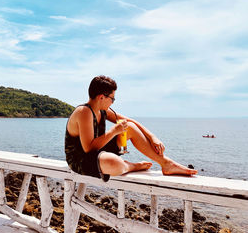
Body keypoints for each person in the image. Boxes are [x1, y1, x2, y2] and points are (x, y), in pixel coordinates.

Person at [65, 75, 197, 182]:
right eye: (112, 99)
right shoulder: (84, 112)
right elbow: (88, 148)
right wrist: (114, 131)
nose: (112, 102)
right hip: (80, 159)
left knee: (130, 127)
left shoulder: (102, 110)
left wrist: (152, 137)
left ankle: (166, 163)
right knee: (114, 164)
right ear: (101, 97)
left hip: (98, 152)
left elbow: (130, 122)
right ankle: (132, 166)